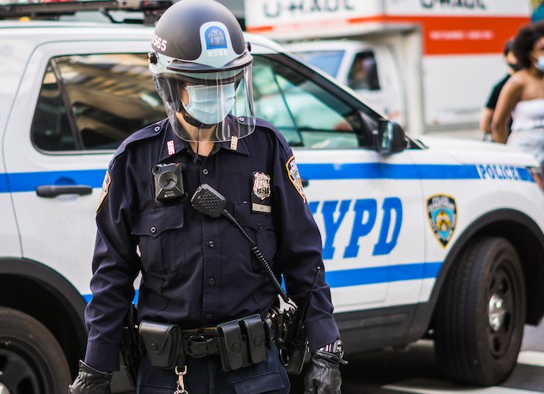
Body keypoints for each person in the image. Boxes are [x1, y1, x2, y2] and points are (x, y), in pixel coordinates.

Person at [68, 1, 345, 392]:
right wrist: (96, 368)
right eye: (203, 84)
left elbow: (304, 259)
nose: (218, 93)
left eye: (227, 81)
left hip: (255, 372)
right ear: (170, 84)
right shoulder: (135, 161)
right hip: (169, 375)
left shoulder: (266, 149)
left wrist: (325, 348)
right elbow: (112, 273)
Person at [491, 20, 544, 200]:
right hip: (525, 151)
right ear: (530, 53)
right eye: (543, 49)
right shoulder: (517, 82)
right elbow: (498, 124)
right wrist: (505, 156)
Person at [480, 38, 517, 140]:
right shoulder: (500, 87)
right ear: (505, 57)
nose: (519, 59)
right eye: (515, 54)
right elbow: (485, 125)